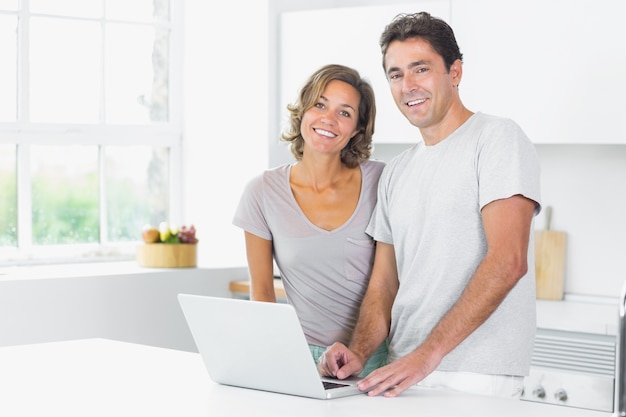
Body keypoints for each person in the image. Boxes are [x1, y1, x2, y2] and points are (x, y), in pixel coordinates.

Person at [318, 12, 541, 399]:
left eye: (420, 69)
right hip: (401, 369)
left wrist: (427, 355)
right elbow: (384, 285)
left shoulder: (497, 139)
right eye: (396, 74)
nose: (408, 85)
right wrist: (359, 351)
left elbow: (508, 261)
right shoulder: (398, 171)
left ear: (455, 72)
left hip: (476, 373)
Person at [233, 64, 387, 376]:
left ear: (358, 128)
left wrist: (360, 350)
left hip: (373, 354)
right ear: (303, 111)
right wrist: (274, 365)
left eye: (345, 112)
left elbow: (388, 284)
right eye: (320, 104)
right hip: (300, 356)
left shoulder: (383, 182)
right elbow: (262, 294)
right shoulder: (262, 192)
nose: (328, 119)